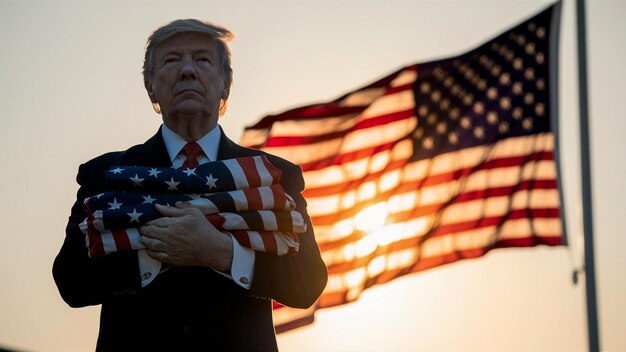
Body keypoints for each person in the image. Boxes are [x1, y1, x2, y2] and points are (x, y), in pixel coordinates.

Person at [53, 19, 328, 351]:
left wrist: (221, 252)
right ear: (150, 86)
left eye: (202, 59)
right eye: (171, 60)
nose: (187, 70)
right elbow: (71, 281)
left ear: (226, 84)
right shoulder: (106, 174)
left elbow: (308, 281)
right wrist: (155, 255)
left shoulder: (272, 176)